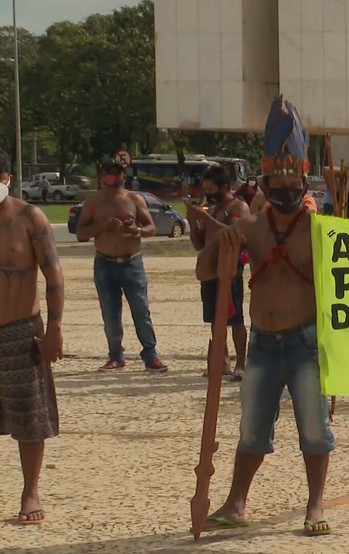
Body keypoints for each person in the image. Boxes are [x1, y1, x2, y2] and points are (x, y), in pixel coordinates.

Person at [196, 96, 335, 537]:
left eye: (293, 180)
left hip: (306, 340)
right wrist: (223, 247)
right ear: (265, 180)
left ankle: (315, 504)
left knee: (314, 428)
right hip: (262, 342)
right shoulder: (252, 227)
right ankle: (236, 502)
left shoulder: (319, 230)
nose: (286, 187)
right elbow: (204, 271)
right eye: (278, 179)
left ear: (304, 180)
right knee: (252, 428)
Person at [0, 148, 63, 525]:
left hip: (20, 328)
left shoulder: (29, 218)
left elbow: (54, 275)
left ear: (6, 177)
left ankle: (30, 490)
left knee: (29, 415)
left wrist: (54, 327)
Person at [76, 161, 167, 372]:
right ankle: (116, 355)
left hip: (132, 263)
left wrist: (137, 230)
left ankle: (150, 355)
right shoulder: (93, 202)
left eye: (117, 173)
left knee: (141, 311)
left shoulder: (134, 199)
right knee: (110, 313)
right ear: (101, 177)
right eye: (109, 173)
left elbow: (151, 227)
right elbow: (81, 233)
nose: (114, 177)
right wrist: (103, 226)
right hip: (105, 264)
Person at [188, 166, 251, 381]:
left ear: (224, 187)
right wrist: (192, 221)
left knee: (235, 318)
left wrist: (205, 219)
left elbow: (233, 234)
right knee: (216, 318)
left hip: (230, 269)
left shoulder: (239, 207)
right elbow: (199, 244)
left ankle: (242, 363)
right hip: (210, 271)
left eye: (212, 189)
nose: (208, 193)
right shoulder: (212, 209)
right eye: (205, 189)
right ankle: (221, 361)